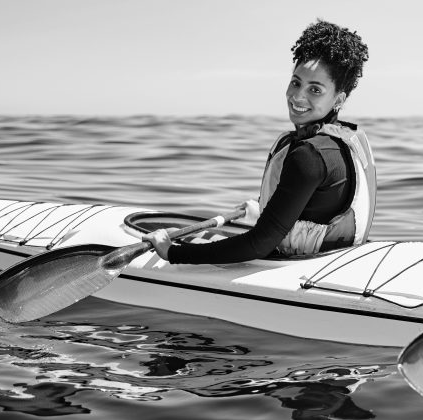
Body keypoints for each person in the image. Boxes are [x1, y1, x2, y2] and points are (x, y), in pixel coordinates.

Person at [143, 19, 377, 263]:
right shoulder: (345, 141)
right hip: (338, 261)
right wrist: (262, 210)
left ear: (338, 100)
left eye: (315, 90)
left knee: (189, 242)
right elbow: (318, 205)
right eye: (296, 82)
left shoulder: (309, 155)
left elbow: (257, 245)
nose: (298, 96)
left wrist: (172, 252)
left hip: (298, 269)